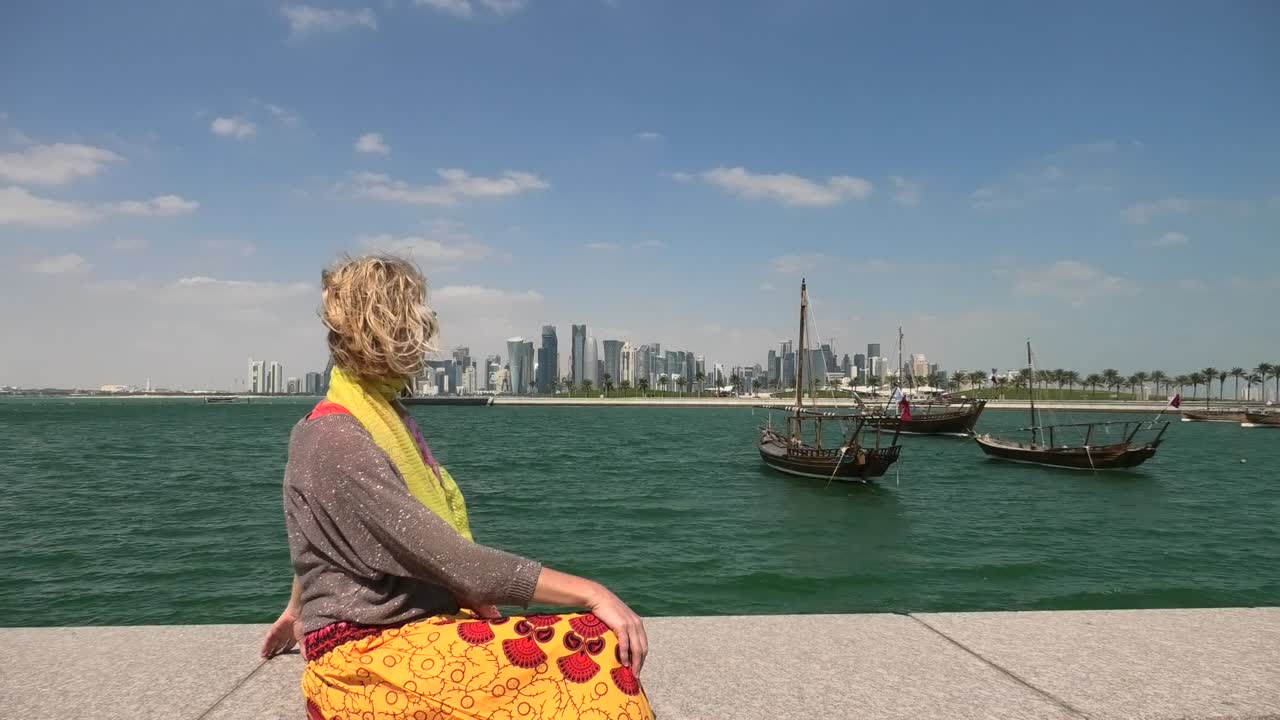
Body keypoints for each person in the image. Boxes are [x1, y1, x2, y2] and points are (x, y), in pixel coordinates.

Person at [260, 255, 653, 720]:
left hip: (402, 635)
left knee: (592, 647)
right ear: (390, 326)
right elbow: (455, 562)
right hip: (364, 658)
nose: (427, 328)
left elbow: (325, 536)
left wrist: (297, 608)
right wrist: (594, 591)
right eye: (418, 315)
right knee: (589, 645)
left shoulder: (373, 420)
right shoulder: (336, 436)